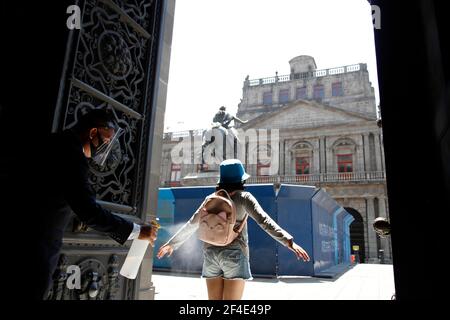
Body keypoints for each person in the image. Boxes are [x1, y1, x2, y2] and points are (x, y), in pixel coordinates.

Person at [28, 109, 158, 299]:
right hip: (34, 248)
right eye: (106, 142)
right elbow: (88, 211)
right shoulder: (71, 154)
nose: (105, 148)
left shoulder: (54, 142)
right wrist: (137, 230)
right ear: (92, 133)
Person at [157, 159, 310, 300]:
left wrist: (172, 244)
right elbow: (264, 221)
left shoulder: (211, 198)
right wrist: (289, 242)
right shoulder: (244, 197)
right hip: (235, 255)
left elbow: (192, 223)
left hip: (210, 254)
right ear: (241, 179)